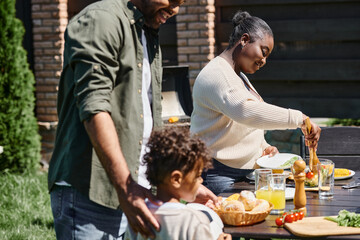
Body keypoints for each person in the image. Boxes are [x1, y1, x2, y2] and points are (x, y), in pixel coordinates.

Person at [48, 0, 217, 239]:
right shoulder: (102, 19)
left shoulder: (146, 31)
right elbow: (95, 108)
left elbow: (148, 119)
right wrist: (126, 188)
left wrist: (186, 184)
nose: (176, 9)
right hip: (93, 192)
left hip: (133, 190)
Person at [190, 10, 321, 195]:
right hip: (218, 174)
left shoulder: (237, 75)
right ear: (244, 40)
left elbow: (240, 125)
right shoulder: (217, 74)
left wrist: (263, 147)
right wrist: (299, 118)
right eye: (263, 51)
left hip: (244, 172)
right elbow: (245, 111)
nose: (264, 61)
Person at [125, 127, 232, 240]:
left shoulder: (138, 215)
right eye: (197, 176)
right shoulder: (194, 220)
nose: (201, 181)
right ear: (176, 179)